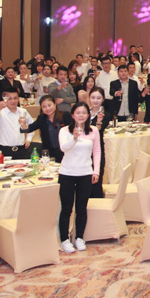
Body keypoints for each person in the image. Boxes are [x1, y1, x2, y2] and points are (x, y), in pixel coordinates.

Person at [57, 102, 102, 253]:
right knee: (66, 208)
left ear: (88, 115)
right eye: (78, 113)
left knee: (82, 208)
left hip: (85, 173)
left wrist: (96, 171)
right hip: (67, 173)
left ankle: (79, 237)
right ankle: (64, 239)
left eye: (84, 113)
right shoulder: (64, 131)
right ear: (72, 115)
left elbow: (97, 152)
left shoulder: (93, 130)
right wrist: (74, 138)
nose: (81, 115)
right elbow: (63, 148)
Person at [0, 87, 34, 160]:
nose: (13, 101)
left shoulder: (23, 111)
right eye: (10, 99)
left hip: (21, 149)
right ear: (5, 99)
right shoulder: (1, 112)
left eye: (15, 98)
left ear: (18, 99)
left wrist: (28, 139)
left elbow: (32, 125)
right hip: (5, 149)